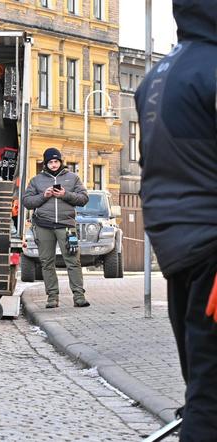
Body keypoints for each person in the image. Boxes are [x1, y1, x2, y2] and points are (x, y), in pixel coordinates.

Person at [135, 1, 217, 438]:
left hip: (177, 249)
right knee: (210, 402)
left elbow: (153, 165)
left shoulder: (154, 77)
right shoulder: (212, 69)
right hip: (211, 248)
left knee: (201, 384)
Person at [22, 148, 89, 309]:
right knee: (47, 262)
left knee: (73, 261)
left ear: (60, 162)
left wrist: (65, 194)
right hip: (44, 225)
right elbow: (27, 201)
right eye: (50, 162)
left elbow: (84, 198)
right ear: (45, 164)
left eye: (56, 161)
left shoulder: (73, 178)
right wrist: (43, 196)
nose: (53, 164)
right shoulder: (37, 180)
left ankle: (79, 296)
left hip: (66, 226)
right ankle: (52, 297)